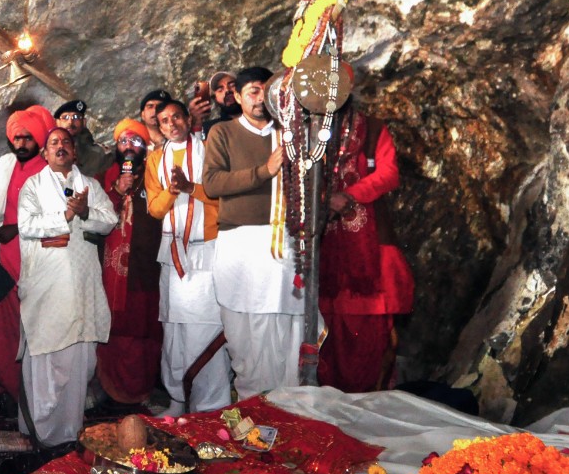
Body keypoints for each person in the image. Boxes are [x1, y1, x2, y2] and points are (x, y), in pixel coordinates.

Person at [203, 67, 304, 399]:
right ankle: (252, 406)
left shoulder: (290, 134)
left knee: (288, 326)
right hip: (241, 243)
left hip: (284, 243)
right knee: (245, 330)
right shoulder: (223, 132)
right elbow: (213, 183)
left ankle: (290, 408)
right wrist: (265, 171)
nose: (260, 99)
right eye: (253, 92)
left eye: (265, 91)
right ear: (238, 97)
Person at [16, 128, 116, 446]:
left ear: (74, 153)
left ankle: (70, 434)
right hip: (47, 286)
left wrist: (84, 211)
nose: (61, 147)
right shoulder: (32, 186)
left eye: (66, 143)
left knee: (77, 362)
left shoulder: (90, 185)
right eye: (54, 143)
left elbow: (109, 220)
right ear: (44, 153)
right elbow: (26, 225)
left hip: (82, 288)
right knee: (46, 355)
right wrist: (65, 215)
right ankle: (41, 434)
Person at [318, 101, 414, 392]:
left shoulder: (371, 128)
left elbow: (388, 174)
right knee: (326, 323)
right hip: (324, 240)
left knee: (371, 323)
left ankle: (370, 396)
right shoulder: (307, 130)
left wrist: (348, 195)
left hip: (369, 239)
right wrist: (323, 198)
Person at [145, 100, 230, 414]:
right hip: (172, 252)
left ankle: (212, 404)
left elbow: (224, 197)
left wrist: (190, 187)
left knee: (204, 327)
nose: (171, 124)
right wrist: (173, 190)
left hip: (205, 249)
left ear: (187, 118)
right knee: (174, 328)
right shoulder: (155, 159)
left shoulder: (209, 150)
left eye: (176, 117)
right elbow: (154, 208)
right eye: (164, 120)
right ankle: (178, 399)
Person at [0, 108, 53, 414]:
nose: (21, 142)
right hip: (0, 261)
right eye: (17, 136)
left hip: (33, 265)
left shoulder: (49, 169)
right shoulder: (6, 164)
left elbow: (56, 217)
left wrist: (18, 228)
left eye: (28, 137)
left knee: (28, 336)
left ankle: (22, 400)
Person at [97, 119, 164, 406]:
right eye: (123, 141)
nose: (128, 147)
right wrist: (115, 189)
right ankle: (109, 391)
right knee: (112, 329)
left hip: (145, 266)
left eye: (135, 141)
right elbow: (94, 216)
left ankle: (142, 392)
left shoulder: (155, 172)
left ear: (144, 146)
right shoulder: (104, 176)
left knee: (143, 329)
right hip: (110, 269)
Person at [54, 99, 113, 177]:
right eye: (65, 117)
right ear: (57, 122)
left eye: (76, 117)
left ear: (84, 122)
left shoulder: (99, 154)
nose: (70, 122)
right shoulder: (48, 152)